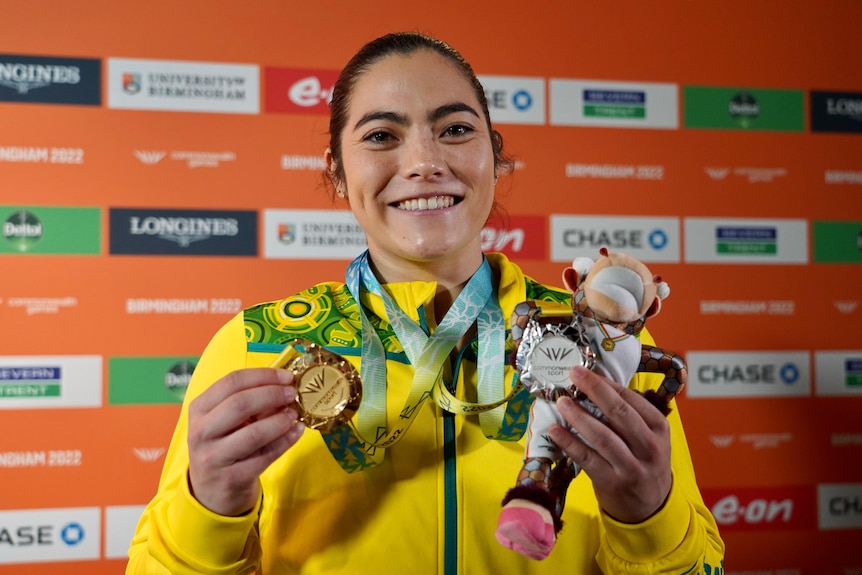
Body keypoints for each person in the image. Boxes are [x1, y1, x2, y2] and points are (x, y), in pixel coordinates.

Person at [126, 31, 725, 574]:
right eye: (382, 136)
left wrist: (649, 515)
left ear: (494, 154)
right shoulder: (255, 346)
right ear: (336, 172)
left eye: (456, 129)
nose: (425, 163)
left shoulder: (603, 342)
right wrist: (207, 511)